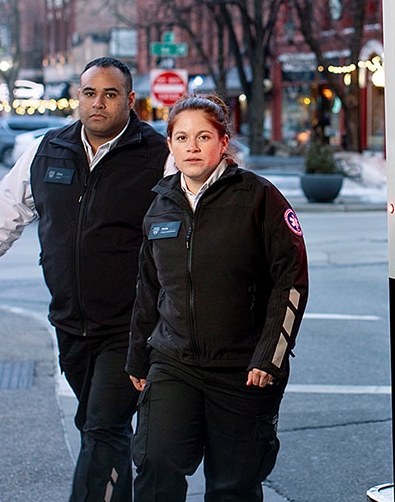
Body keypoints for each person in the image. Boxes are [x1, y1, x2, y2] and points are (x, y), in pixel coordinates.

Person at [0, 56, 172, 502]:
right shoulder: (48, 149)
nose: (98, 104)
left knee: (104, 426)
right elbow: (4, 211)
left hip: (130, 327)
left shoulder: (158, 156)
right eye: (90, 93)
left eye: (110, 95)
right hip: (69, 322)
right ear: (78, 96)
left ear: (129, 101)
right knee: (95, 427)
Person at [127, 94, 309, 500]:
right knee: (156, 465)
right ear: (170, 145)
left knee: (233, 486)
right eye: (181, 137)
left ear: (223, 142)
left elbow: (291, 281)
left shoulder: (258, 198)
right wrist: (138, 355)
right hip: (174, 363)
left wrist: (269, 357)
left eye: (203, 136)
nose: (192, 147)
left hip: (242, 368)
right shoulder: (161, 206)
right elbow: (148, 289)